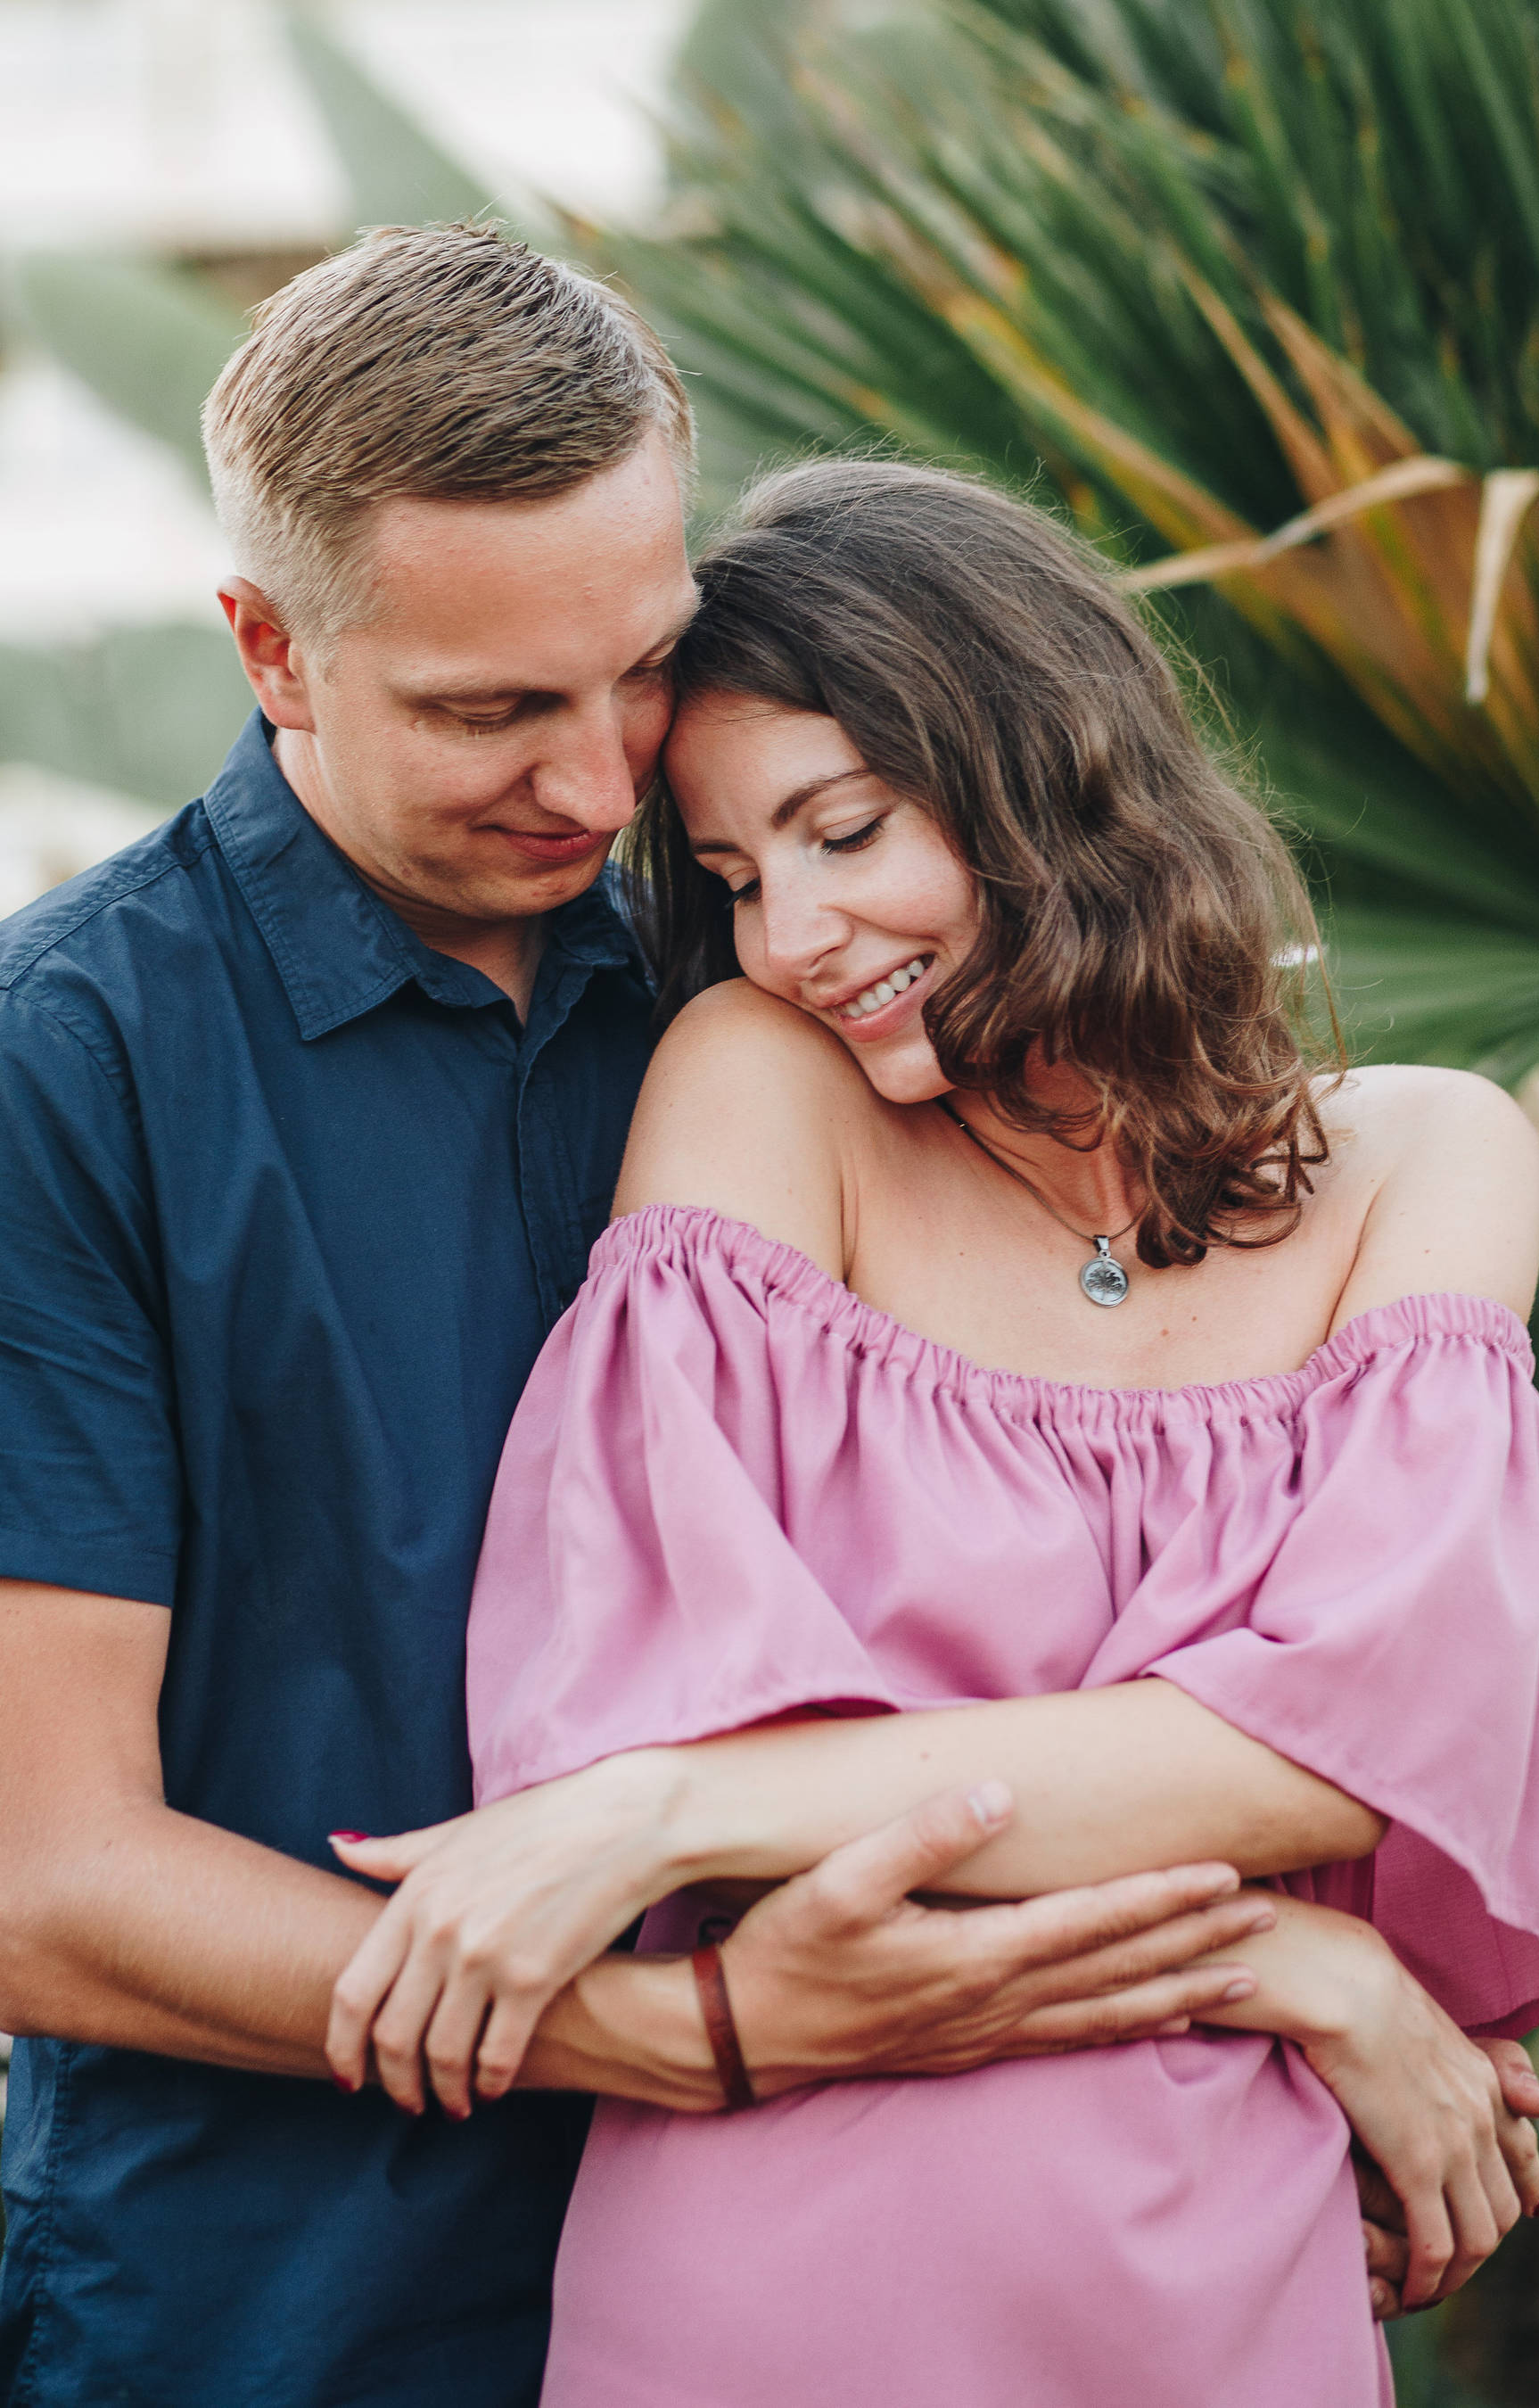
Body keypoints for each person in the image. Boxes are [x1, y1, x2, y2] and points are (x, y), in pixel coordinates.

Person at [0, 226, 1387, 2407]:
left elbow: (1074, 1669)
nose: (594, 785)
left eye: (638, 671)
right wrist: (676, 2032)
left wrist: (1317, 1970)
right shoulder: (66, 1068)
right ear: (270, 647)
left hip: (854, 2277)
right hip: (284, 2319)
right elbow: (40, 1875)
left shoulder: (814, 980)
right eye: (489, 710)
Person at [324, 459, 1539, 2406]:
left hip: (1231, 2265)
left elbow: (1363, 1740)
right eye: (741, 878)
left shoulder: (1430, 1158)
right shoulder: (761, 1083)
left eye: (846, 829)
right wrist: (1282, 1963)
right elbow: (694, 1727)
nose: (799, 936)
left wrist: (659, 1817)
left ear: (1050, 765)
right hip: (784, 2256)